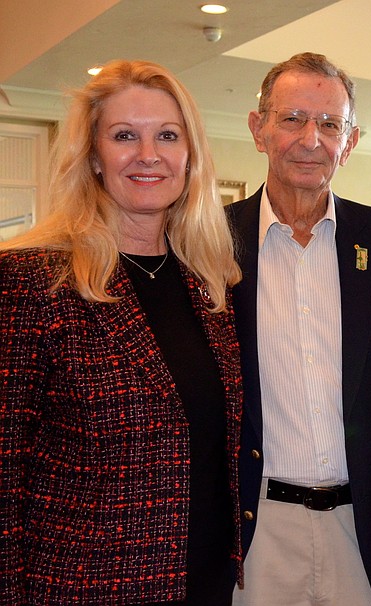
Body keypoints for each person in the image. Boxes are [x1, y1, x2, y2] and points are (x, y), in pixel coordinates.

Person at [0, 60, 243, 605]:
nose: (148, 154)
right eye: (124, 136)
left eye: (168, 136)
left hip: (204, 581)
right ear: (92, 157)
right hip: (82, 588)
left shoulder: (211, 287)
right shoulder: (32, 280)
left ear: (190, 157)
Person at [227, 52, 371, 606]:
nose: (310, 139)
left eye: (329, 123)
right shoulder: (212, 240)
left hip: (361, 527)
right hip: (255, 527)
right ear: (258, 129)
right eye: (292, 118)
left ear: (351, 140)